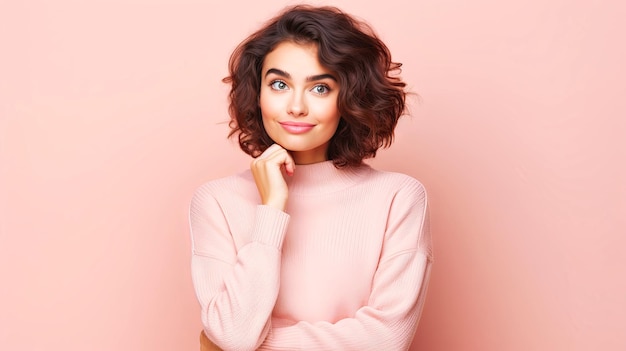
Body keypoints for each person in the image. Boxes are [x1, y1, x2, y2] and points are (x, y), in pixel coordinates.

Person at [189, 4, 433, 350]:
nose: (296, 106)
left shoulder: (398, 197)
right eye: (279, 84)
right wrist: (272, 207)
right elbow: (236, 334)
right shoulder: (216, 201)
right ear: (257, 93)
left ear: (348, 98)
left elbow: (386, 340)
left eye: (320, 88)